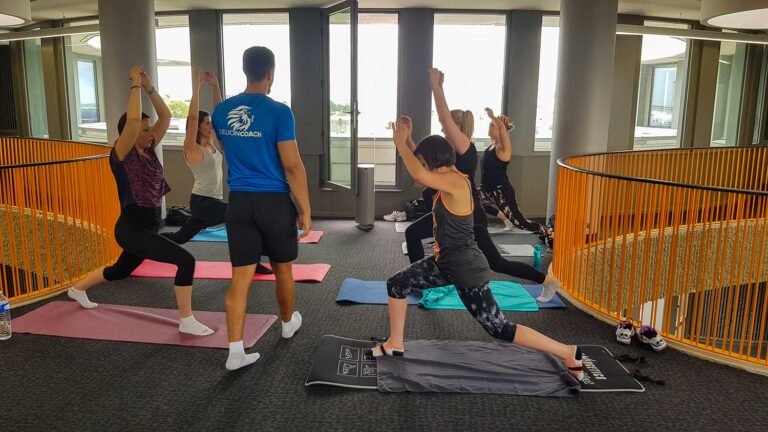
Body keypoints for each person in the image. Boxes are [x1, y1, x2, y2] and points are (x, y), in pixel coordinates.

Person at [373, 118, 583, 381]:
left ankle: (567, 351)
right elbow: (422, 169)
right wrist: (408, 143)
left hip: (466, 270)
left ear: (433, 162)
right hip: (444, 263)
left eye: (425, 162)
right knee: (397, 284)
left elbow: (419, 173)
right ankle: (395, 342)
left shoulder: (455, 182)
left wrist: (399, 143)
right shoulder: (446, 177)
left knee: (499, 328)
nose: (421, 171)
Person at [67, 66, 213, 337]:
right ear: (130, 134)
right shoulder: (121, 155)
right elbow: (133, 123)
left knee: (119, 270)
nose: (150, 134)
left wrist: (149, 88)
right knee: (186, 261)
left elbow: (167, 115)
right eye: (145, 130)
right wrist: (135, 85)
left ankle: (76, 289)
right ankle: (186, 319)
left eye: (149, 129)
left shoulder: (149, 150)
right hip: (131, 228)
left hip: (149, 227)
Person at [406, 68, 560, 302]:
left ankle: (548, 281)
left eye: (447, 128)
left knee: (497, 262)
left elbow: (443, 118)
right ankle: (419, 285)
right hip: (447, 215)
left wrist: (436, 88)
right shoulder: (444, 151)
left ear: (456, 129)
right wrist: (405, 138)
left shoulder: (464, 150)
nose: (442, 130)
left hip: (468, 218)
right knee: (412, 233)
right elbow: (420, 160)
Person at [212, 47, 311, 371]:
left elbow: (227, 150)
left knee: (240, 278)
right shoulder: (280, 112)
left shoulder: (221, 111)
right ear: (271, 72)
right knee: (283, 268)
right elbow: (293, 166)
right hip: (273, 202)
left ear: (245, 70)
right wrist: (305, 209)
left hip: (239, 202)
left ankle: (235, 351)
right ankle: (286, 323)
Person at [161, 67, 272, 275]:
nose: (210, 125)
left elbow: (220, 113)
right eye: (206, 123)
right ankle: (251, 262)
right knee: (244, 220)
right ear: (198, 127)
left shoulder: (212, 144)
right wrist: (197, 86)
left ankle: (149, 242)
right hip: (203, 202)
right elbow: (192, 119)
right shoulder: (192, 148)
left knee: (180, 238)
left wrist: (216, 86)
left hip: (210, 202)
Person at [479, 109, 552, 238]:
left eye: (493, 125)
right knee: (470, 200)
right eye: (490, 124)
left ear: (503, 130)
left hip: (501, 191)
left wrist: (492, 116)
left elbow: (502, 130)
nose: (490, 127)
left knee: (521, 223)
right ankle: (503, 216)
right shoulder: (490, 146)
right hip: (486, 190)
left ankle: (550, 233)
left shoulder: (503, 149)